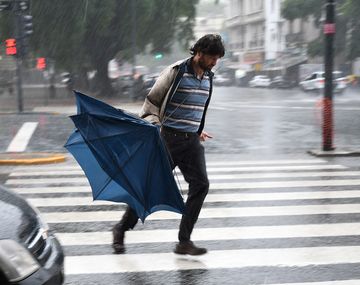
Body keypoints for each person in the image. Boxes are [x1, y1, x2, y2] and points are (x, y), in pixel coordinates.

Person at [112, 34, 225, 255]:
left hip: (191, 141)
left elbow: (195, 107)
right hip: (168, 140)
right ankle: (121, 228)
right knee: (148, 189)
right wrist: (154, 126)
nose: (214, 62)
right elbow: (151, 103)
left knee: (201, 185)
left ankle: (184, 241)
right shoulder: (176, 72)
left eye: (217, 58)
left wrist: (197, 129)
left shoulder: (208, 77)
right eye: (212, 57)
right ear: (199, 53)